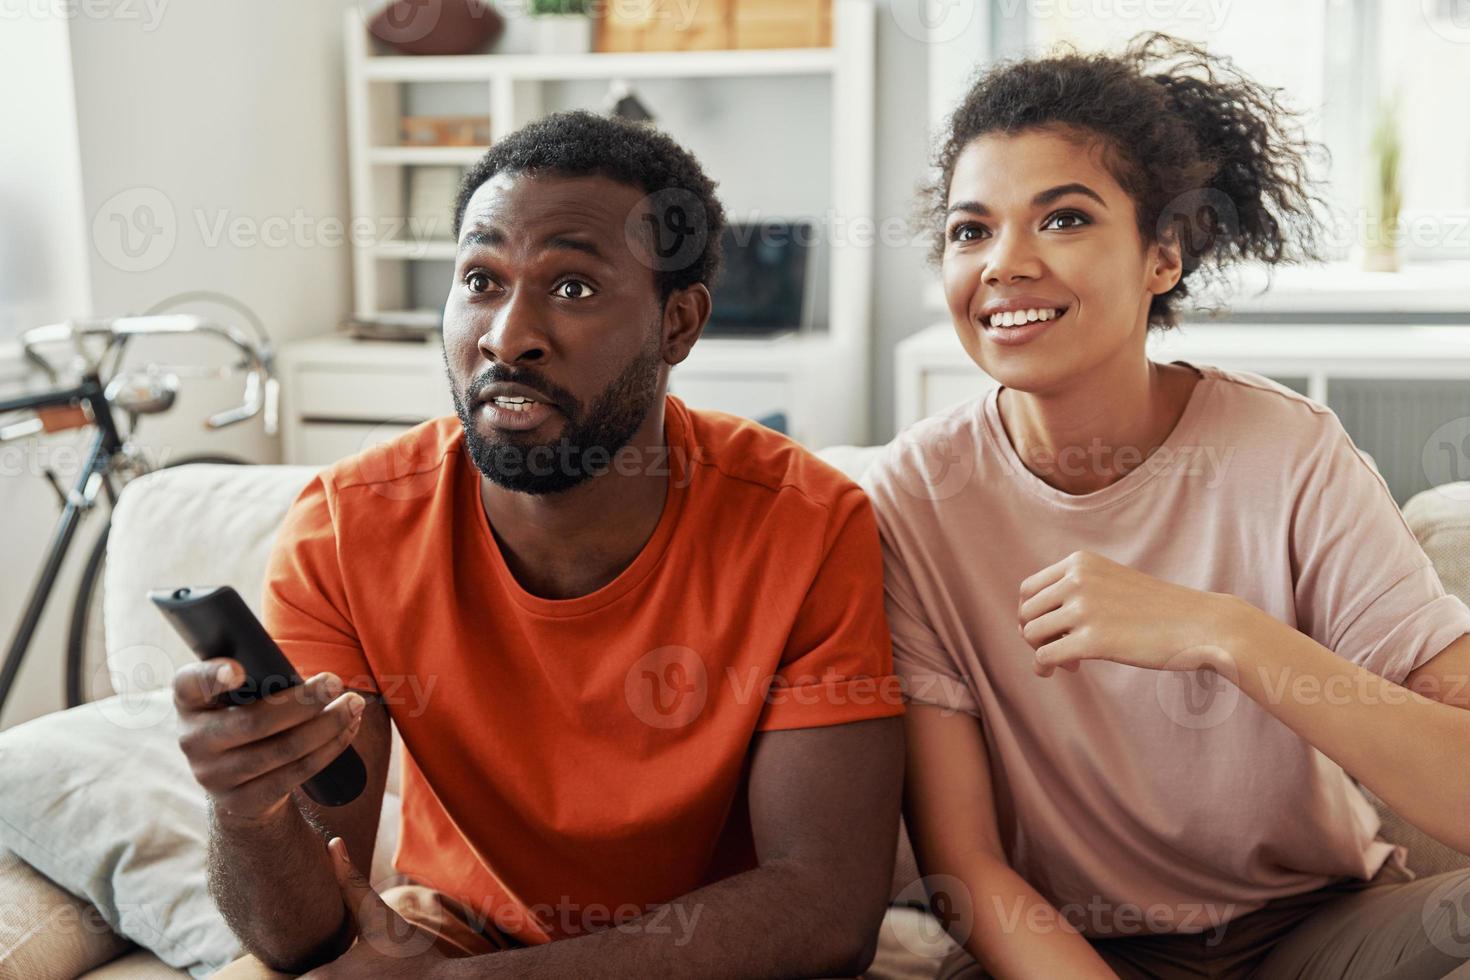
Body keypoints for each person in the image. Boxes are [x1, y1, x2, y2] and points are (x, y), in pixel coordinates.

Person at [177, 110, 904, 979]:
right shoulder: (343, 527)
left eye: (573, 288)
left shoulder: (809, 524)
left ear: (679, 325)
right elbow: (303, 938)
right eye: (480, 278)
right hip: (452, 926)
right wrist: (245, 809)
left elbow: (825, 909)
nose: (506, 334)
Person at [861, 34, 1470, 980]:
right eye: (971, 230)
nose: (1004, 263)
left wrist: (1223, 632)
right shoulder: (910, 500)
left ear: (1163, 255)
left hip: (1310, 930)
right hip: (1064, 950)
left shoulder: (1288, 452)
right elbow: (966, 864)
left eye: (1063, 219)